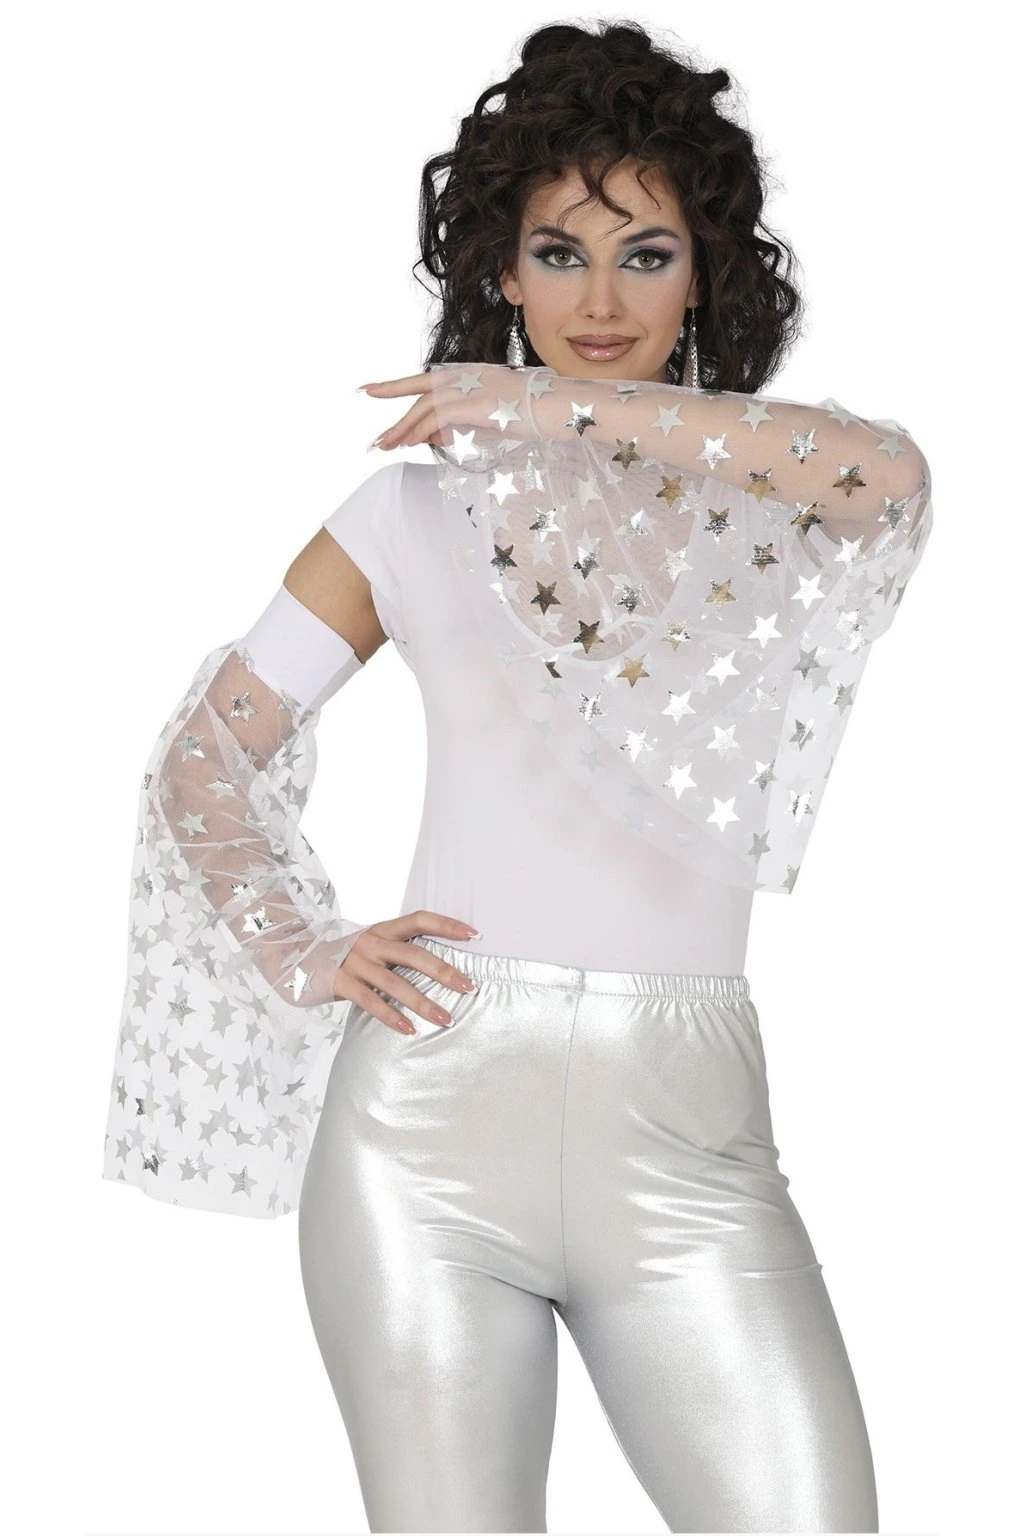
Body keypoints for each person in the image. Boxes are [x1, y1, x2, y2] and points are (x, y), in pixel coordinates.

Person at [102, 20, 933, 1534]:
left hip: (689, 1146)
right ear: (503, 269)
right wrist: (303, 943)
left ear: (704, 276)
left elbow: (894, 475)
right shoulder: (407, 518)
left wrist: (536, 403)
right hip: (425, 1129)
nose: (599, 302)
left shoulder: (772, 507)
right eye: (559, 254)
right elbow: (205, 760)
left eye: (646, 255)